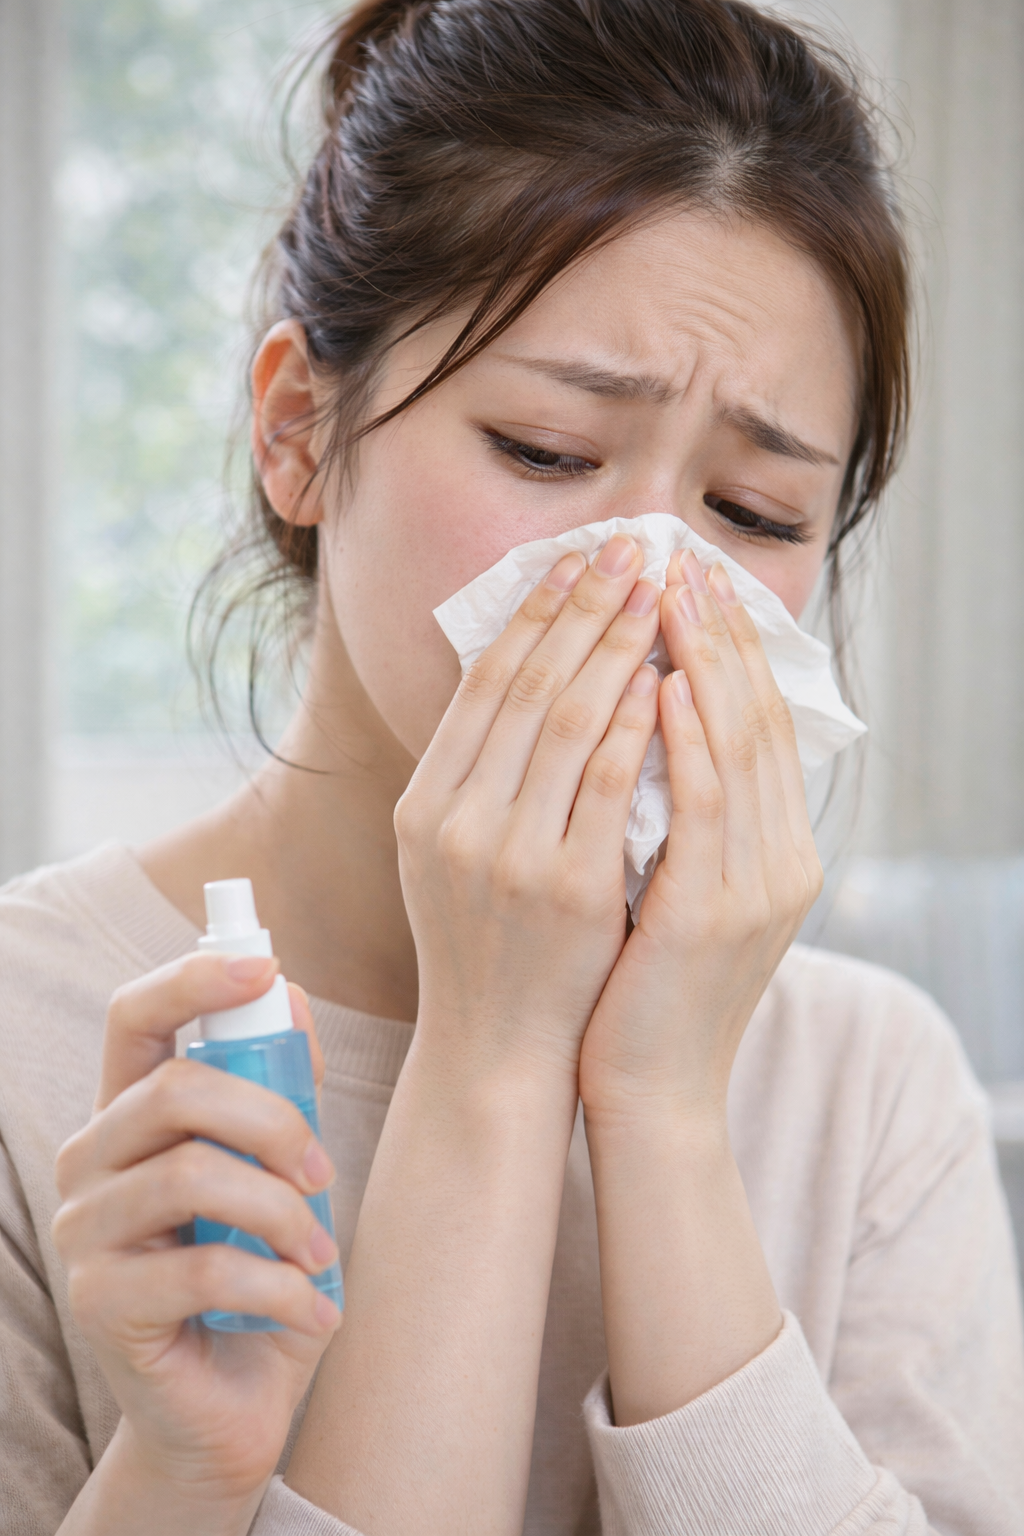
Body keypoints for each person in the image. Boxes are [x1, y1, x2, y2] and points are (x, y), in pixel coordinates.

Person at [1, 0, 1022, 1531]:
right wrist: (488, 1054)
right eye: (547, 452)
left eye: (753, 513)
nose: (649, 585)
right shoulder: (34, 1041)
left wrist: (661, 1111)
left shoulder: (870, 1087)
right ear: (298, 431)